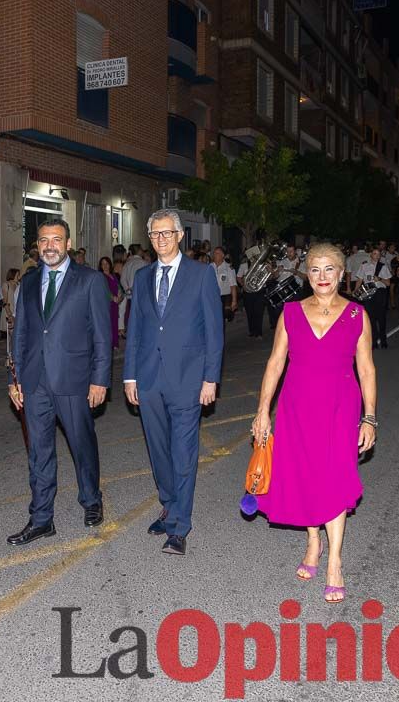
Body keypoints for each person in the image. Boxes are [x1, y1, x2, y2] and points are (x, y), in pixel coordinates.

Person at [250, 242, 376, 603]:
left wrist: (370, 417)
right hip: (296, 407)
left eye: (330, 269)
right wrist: (262, 411)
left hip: (340, 407)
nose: (322, 277)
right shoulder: (290, 312)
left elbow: (366, 369)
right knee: (306, 475)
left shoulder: (356, 315)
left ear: (341, 273)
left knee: (335, 476)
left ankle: (334, 560)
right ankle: (312, 540)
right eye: (315, 270)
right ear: (307, 274)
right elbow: (275, 363)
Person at [123, 209, 223, 556]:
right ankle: (168, 505)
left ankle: (179, 526)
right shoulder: (143, 276)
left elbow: (214, 331)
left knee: (183, 452)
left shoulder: (201, 275)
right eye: (155, 234)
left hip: (188, 380)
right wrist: (130, 375)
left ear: (180, 236)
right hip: (149, 378)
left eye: (167, 233)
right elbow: (134, 328)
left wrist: (211, 378)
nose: (161, 239)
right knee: (159, 450)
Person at [8, 219, 112, 545]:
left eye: (56, 239)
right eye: (43, 241)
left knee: (81, 444)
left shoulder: (90, 280)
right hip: (35, 380)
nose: (49, 246)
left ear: (68, 244)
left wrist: (100, 380)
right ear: (36, 246)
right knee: (39, 452)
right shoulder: (28, 282)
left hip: (75, 380)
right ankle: (41, 518)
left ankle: (91, 498)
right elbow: (21, 333)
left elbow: (102, 335)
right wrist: (16, 379)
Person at [355, 247, 392, 348]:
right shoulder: (364, 266)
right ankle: (374, 341)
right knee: (370, 318)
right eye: (374, 253)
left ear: (380, 256)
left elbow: (388, 283)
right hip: (368, 293)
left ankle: (383, 340)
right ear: (371, 255)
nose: (376, 255)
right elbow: (359, 279)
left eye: (378, 254)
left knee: (381, 317)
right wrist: (355, 291)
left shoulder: (383, 267)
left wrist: (379, 278)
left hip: (380, 293)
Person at [98, 257, 123, 350]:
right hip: (106, 304)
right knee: (107, 324)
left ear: (110, 264)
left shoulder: (114, 275)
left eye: (107, 263)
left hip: (115, 304)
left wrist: (120, 297)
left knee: (114, 323)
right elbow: (104, 290)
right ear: (100, 266)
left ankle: (114, 344)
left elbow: (119, 288)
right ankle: (108, 345)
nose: (105, 266)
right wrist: (112, 298)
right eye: (103, 264)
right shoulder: (100, 276)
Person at [211, 248, 238, 326]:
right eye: (214, 253)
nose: (215, 255)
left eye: (218, 253)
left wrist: (234, 300)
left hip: (224, 297)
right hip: (212, 297)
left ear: (223, 255)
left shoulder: (228, 268)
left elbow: (233, 285)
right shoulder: (210, 266)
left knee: (221, 320)